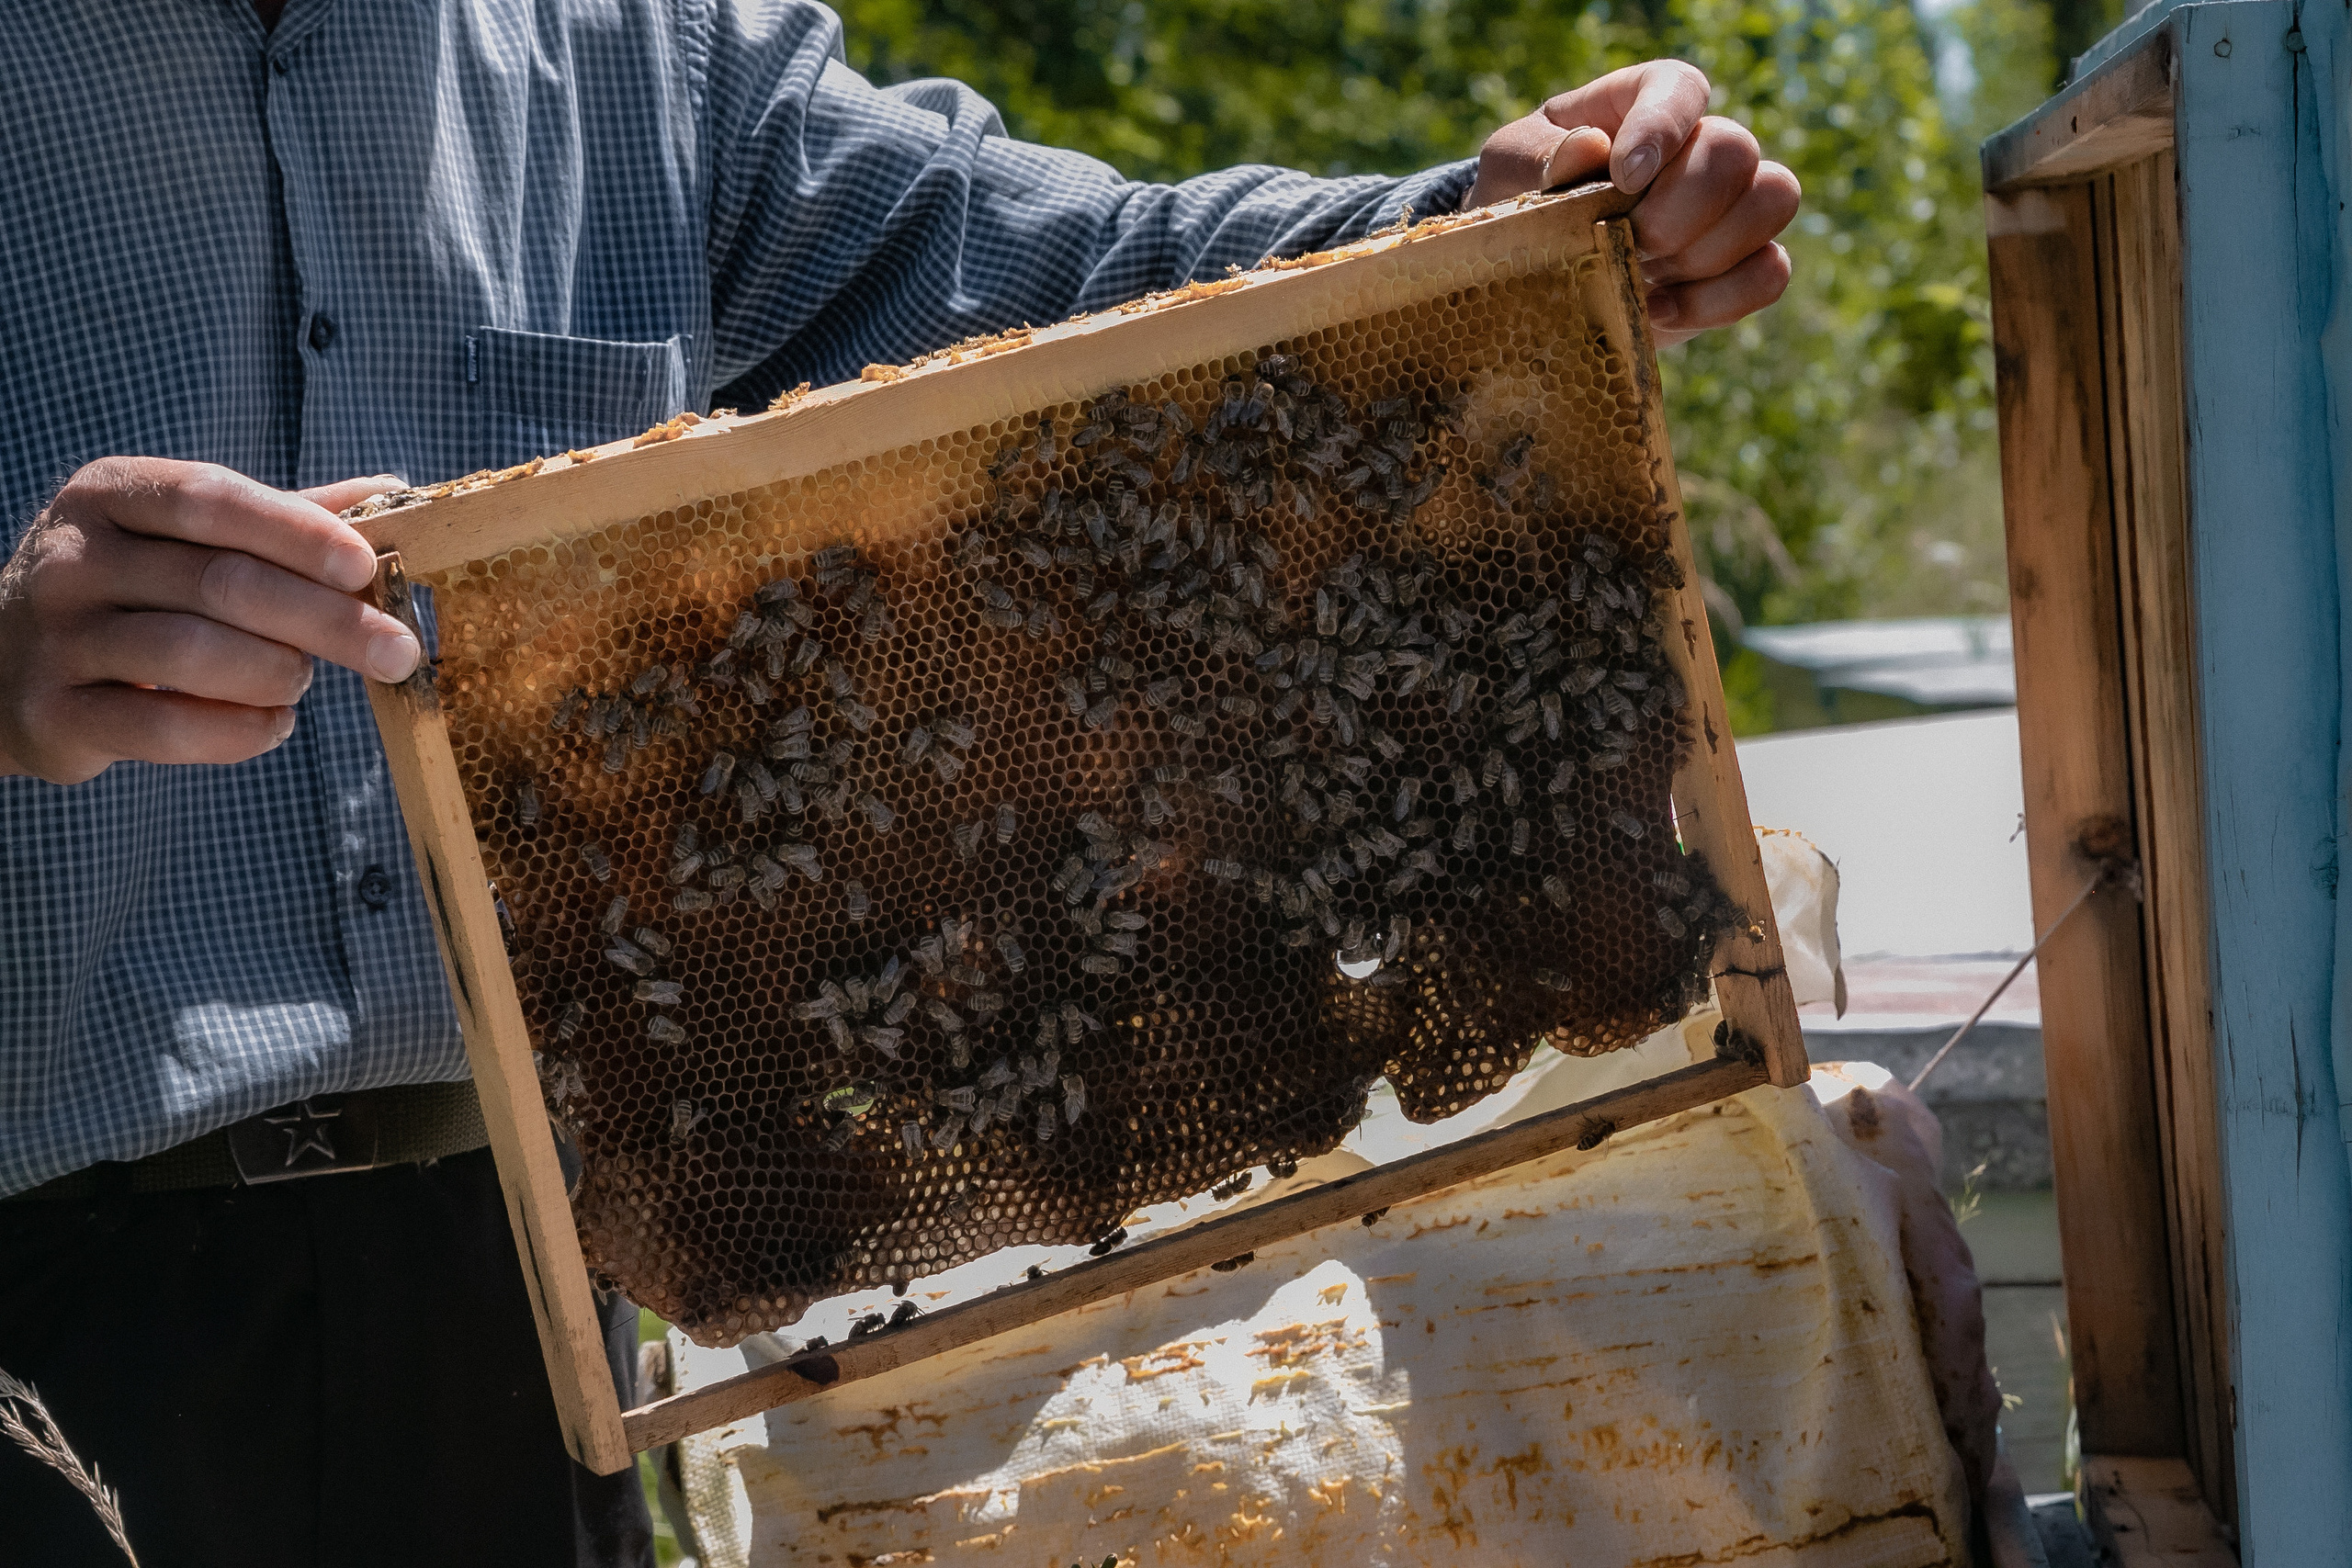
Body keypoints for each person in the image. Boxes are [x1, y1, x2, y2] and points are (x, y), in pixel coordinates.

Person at [0, 2, 1797, 1561]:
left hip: (520, 1299)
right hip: (43, 1324)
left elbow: (1066, 279)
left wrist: (1462, 239)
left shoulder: (643, 47)